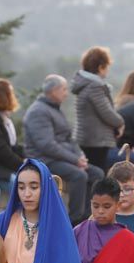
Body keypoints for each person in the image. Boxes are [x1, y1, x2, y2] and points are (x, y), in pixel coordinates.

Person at [24, 75, 102, 224]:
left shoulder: (55, 109)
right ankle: (75, 220)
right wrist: (74, 160)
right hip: (44, 159)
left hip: (61, 158)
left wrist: (80, 156)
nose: (66, 93)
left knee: (97, 173)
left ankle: (88, 216)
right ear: (53, 91)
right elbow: (46, 145)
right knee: (79, 176)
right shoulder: (38, 111)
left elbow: (69, 138)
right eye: (64, 89)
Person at [72, 47, 126, 169]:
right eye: (107, 66)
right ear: (100, 67)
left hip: (86, 137)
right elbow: (106, 111)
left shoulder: (84, 84)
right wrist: (120, 122)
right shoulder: (94, 86)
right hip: (96, 140)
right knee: (97, 174)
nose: (107, 71)